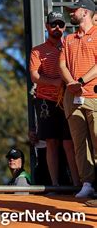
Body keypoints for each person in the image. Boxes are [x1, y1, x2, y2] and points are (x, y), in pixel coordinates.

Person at [29, 11, 80, 187]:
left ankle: (77, 183)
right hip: (45, 100)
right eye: (53, 24)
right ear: (47, 26)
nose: (57, 28)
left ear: (65, 26)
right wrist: (55, 82)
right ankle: (55, 184)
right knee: (51, 141)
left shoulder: (70, 45)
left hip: (68, 99)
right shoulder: (38, 50)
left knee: (69, 142)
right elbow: (34, 76)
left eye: (60, 24)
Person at [59, 0, 97, 198]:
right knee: (79, 143)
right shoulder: (69, 39)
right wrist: (72, 83)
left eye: (74, 10)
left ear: (85, 12)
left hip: (94, 96)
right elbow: (62, 65)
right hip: (72, 98)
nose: (71, 13)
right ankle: (87, 183)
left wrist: (80, 80)